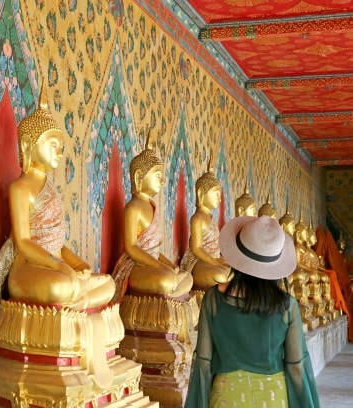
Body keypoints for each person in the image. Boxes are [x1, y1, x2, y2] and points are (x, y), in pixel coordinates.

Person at [0, 85, 114, 321]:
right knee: (61, 286)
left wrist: (76, 262)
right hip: (28, 267)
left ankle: (75, 304)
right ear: (28, 145)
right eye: (53, 145)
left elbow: (57, 244)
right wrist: (59, 266)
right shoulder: (20, 188)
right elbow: (23, 242)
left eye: (61, 148)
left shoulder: (52, 189)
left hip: (56, 265)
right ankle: (74, 302)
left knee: (108, 284)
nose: (59, 153)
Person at [185, 215, 320, 407]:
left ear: (238, 255)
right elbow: (297, 365)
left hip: (226, 396)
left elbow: (203, 362)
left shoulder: (213, 299)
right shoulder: (287, 305)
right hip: (273, 397)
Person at [111, 142, 192, 302]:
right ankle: (170, 290)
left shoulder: (152, 206)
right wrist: (160, 267)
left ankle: (171, 290)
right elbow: (132, 248)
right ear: (139, 176)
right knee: (167, 279)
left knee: (187, 277)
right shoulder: (133, 207)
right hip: (135, 266)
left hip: (153, 265)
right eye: (157, 175)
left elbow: (153, 250)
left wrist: (171, 265)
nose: (162, 181)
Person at [180, 160, 230, 291]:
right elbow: (196, 249)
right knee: (220, 275)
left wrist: (219, 261)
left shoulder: (212, 218)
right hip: (197, 262)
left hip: (212, 261)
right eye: (216, 194)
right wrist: (215, 262)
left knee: (236, 271)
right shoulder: (197, 219)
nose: (219, 199)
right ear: (201, 193)